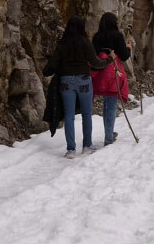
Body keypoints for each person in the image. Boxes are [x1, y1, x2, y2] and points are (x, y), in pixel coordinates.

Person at [44, 16, 111, 159]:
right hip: (83, 81)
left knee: (69, 116)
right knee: (87, 114)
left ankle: (71, 150)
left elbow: (51, 67)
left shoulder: (62, 44)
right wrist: (109, 59)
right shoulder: (85, 43)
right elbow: (96, 63)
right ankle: (87, 146)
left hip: (66, 81)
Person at [92, 12, 132, 146]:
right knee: (111, 105)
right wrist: (128, 48)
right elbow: (124, 56)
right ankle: (108, 137)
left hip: (100, 73)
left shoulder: (97, 37)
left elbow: (93, 54)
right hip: (113, 72)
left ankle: (108, 133)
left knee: (106, 105)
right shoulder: (117, 36)